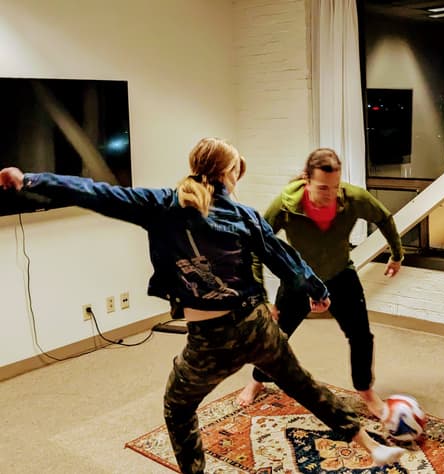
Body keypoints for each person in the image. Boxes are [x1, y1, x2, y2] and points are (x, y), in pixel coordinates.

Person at [0, 138, 405, 474]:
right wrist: (317, 290)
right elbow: (286, 259)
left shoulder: (160, 205)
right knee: (305, 387)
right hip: (256, 325)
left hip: (210, 339)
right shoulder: (245, 215)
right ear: (228, 175)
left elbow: (97, 193)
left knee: (178, 408)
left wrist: (30, 180)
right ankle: (372, 446)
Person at [237, 147, 404, 419]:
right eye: (323, 188)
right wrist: (261, 297)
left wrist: (397, 255)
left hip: (340, 275)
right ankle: (257, 380)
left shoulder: (353, 199)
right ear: (307, 179)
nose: (330, 195)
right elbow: (256, 247)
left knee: (361, 335)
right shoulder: (285, 205)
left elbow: (383, 217)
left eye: (335, 187)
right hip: (298, 280)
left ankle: (365, 390)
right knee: (277, 336)